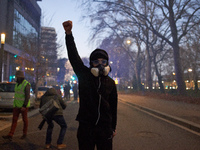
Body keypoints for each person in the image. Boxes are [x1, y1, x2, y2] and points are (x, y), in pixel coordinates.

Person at [63, 20, 118, 150]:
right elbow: (74, 57)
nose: (100, 65)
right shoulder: (85, 76)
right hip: (86, 128)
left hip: (105, 129)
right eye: (96, 61)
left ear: (107, 64)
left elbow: (113, 107)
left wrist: (113, 127)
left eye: (103, 61)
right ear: (91, 63)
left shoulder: (110, 82)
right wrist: (69, 34)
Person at [2, 70, 31, 140]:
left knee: (25, 120)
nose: (16, 78)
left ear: (20, 77)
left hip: (23, 106)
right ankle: (10, 134)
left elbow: (27, 96)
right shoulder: (17, 84)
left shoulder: (26, 84)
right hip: (16, 105)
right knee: (14, 120)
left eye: (17, 77)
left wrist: (24, 106)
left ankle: (24, 133)